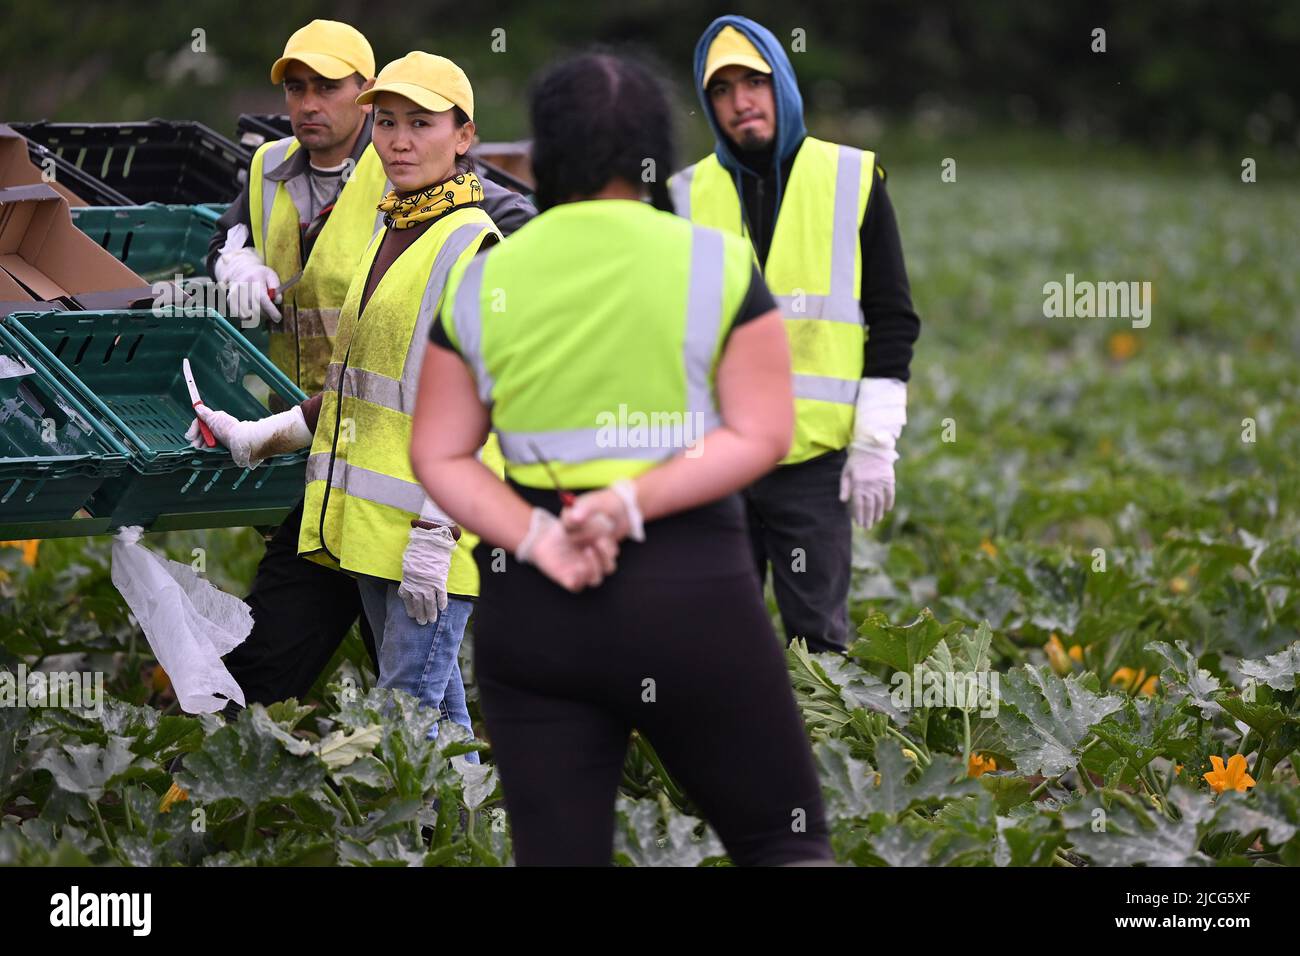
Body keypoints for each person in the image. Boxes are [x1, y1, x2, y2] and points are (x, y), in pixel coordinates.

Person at [409, 51, 833, 865]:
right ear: (656, 152)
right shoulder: (715, 261)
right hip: (692, 596)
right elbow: (762, 432)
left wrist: (538, 541)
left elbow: (441, 454)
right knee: (784, 845)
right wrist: (629, 505)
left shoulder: (483, 280)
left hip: (535, 608)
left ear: (540, 154)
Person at [205, 21, 533, 713]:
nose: (400, 140)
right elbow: (359, 387)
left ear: (464, 136)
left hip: (425, 536)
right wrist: (263, 435)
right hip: (368, 525)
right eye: (388, 123)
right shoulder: (393, 229)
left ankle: (435, 826)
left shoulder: (472, 245)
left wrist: (438, 532)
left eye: (421, 123)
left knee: (404, 729)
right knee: (432, 725)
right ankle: (471, 826)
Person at [669, 16, 921, 654]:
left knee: (820, 648)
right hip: (718, 462)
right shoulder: (683, 195)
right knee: (716, 640)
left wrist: (874, 441)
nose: (739, 101)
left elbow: (892, 318)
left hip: (815, 464)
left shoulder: (852, 178)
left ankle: (826, 757)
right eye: (721, 90)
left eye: (752, 81)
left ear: (779, 82)